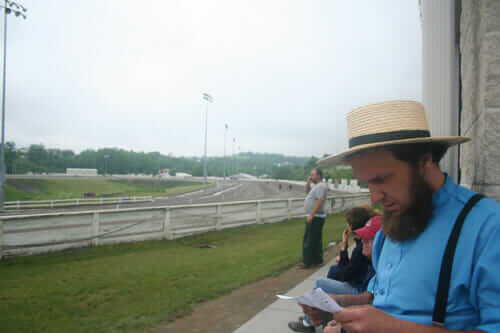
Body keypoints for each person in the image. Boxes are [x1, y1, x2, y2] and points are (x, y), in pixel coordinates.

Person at [299, 100, 500, 332]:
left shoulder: (487, 228)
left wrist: (393, 328)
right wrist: (339, 305)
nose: (374, 197)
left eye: (382, 179)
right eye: (367, 183)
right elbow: (381, 298)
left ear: (424, 161)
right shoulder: (391, 225)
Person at [289, 215, 381, 333]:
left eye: (368, 240)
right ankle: (314, 317)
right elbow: (369, 296)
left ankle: (308, 323)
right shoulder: (377, 263)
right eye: (363, 238)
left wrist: (343, 249)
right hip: (360, 287)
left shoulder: (362, 252)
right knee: (330, 275)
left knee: (321, 282)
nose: (363, 243)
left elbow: (346, 275)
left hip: (357, 288)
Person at [298, 167, 328, 268]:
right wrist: (308, 182)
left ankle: (307, 262)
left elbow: (319, 201)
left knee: (309, 239)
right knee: (315, 239)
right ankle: (317, 260)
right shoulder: (317, 186)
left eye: (312, 175)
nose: (311, 176)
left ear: (319, 176)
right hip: (315, 216)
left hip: (315, 217)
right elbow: (307, 191)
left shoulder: (321, 186)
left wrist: (311, 214)